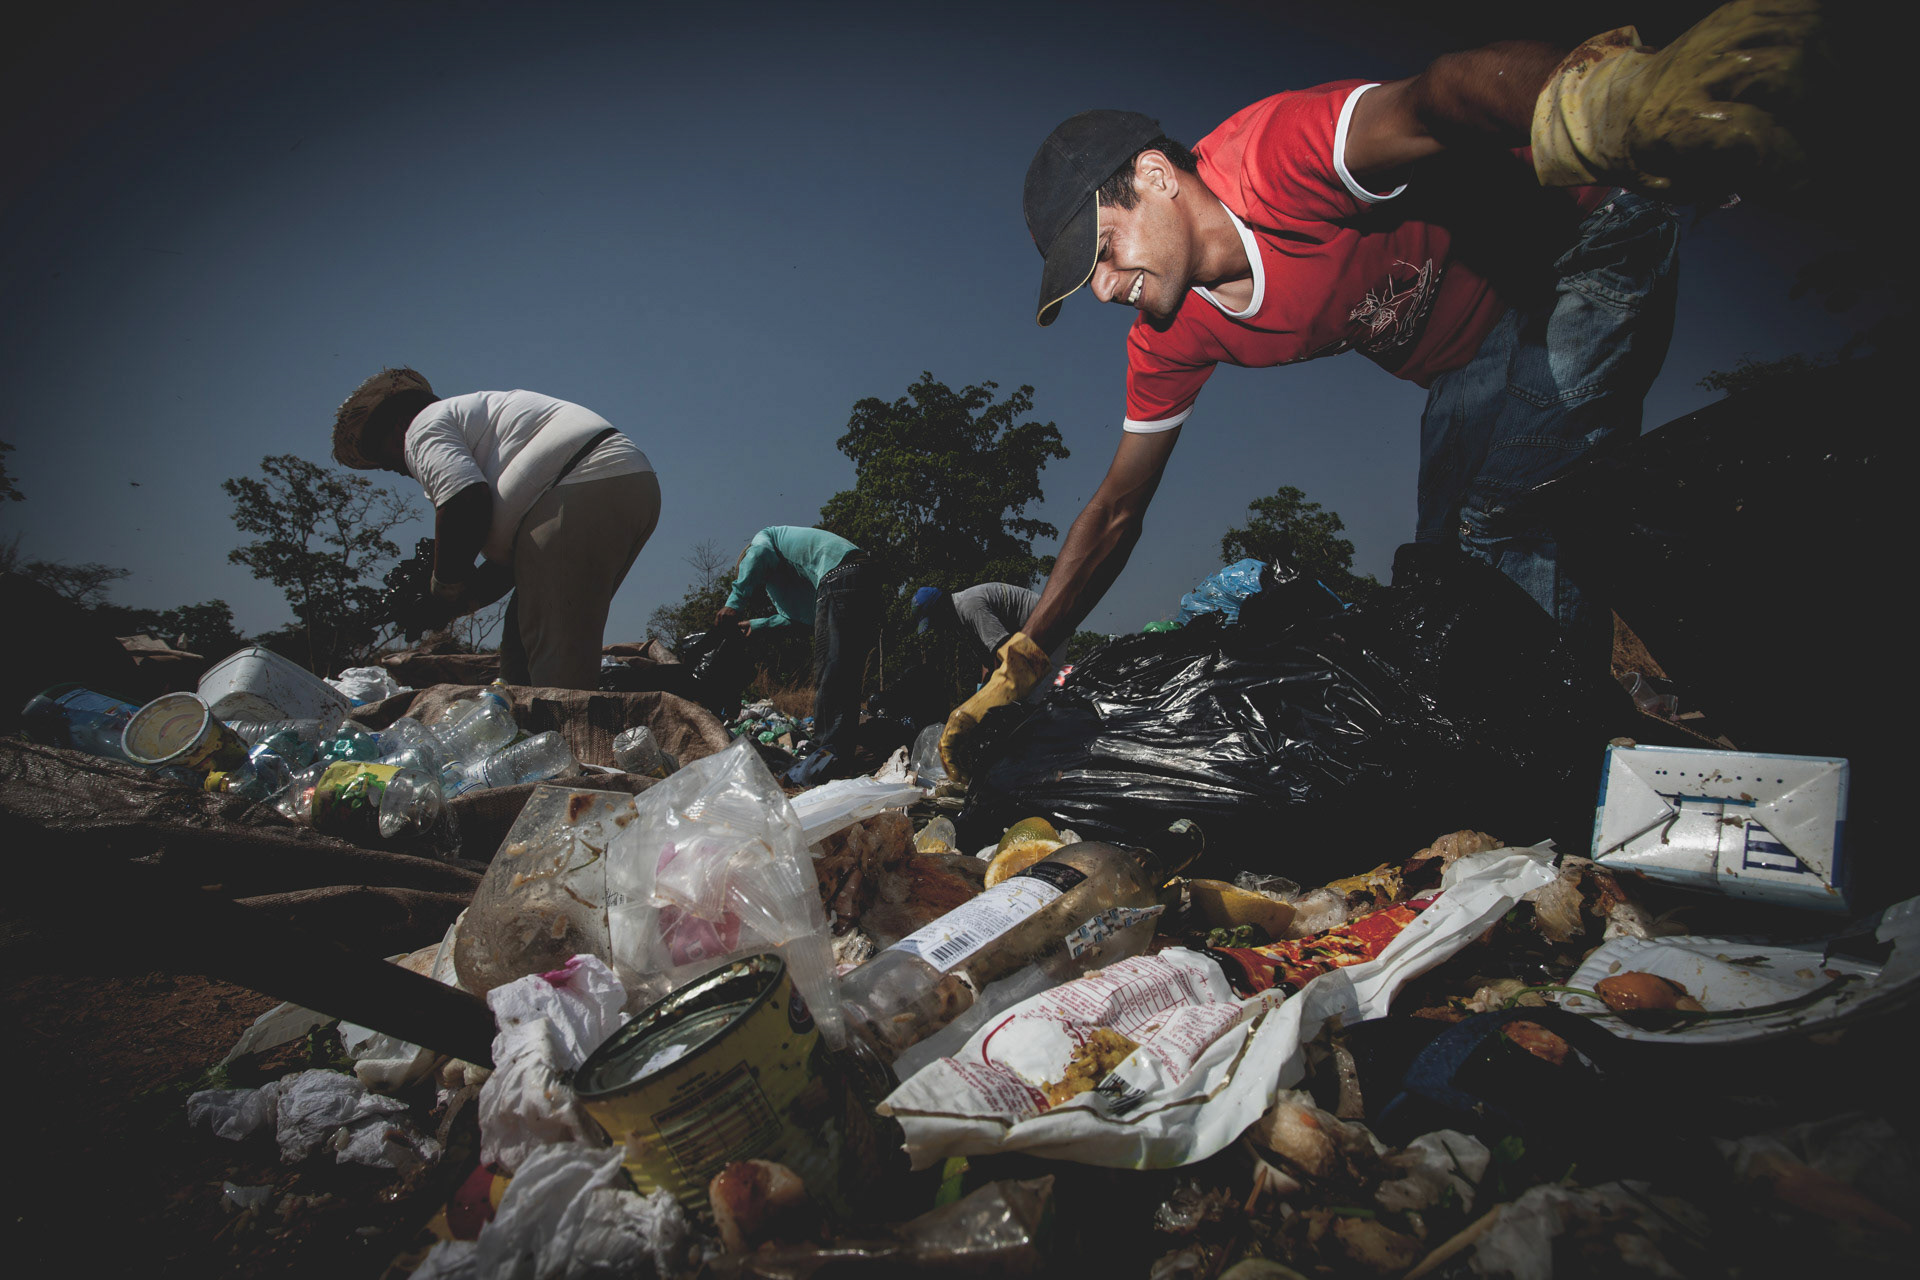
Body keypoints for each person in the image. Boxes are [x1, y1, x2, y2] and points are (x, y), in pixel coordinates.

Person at [940, 1, 1819, 778]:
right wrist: (1027, 654)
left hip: (1587, 235)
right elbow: (1117, 509)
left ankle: (1566, 767)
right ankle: (1531, 744)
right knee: (1441, 573)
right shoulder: (1172, 333)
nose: (1104, 287)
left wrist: (1614, 100)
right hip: (1475, 347)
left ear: (1158, 178)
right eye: (1085, 277)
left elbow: (1437, 95)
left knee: (1514, 507)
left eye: (1104, 250)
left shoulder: (1276, 157)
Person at [332, 368, 660, 689]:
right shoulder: (476, 422)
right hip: (627, 484)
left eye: (388, 460)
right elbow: (510, 568)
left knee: (558, 675)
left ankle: (561, 737)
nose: (399, 468)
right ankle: (526, 720)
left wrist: (442, 588)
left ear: (392, 426)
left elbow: (464, 501)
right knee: (522, 647)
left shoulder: (421, 428)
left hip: (580, 484)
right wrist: (457, 603)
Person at [716, 526, 880, 782]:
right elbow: (803, 618)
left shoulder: (764, 540)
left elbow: (757, 555)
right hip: (863, 578)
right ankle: (840, 759)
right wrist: (758, 625)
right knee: (845, 674)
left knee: (832, 673)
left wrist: (734, 603)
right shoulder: (792, 569)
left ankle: (825, 758)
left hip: (841, 575)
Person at [911, 584, 1066, 693]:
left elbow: (1004, 650)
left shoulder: (970, 607)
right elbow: (987, 661)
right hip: (1029, 635)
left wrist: (989, 697)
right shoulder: (961, 621)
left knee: (1036, 699)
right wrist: (981, 691)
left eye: (935, 622)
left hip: (1047, 622)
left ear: (941, 608)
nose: (937, 629)